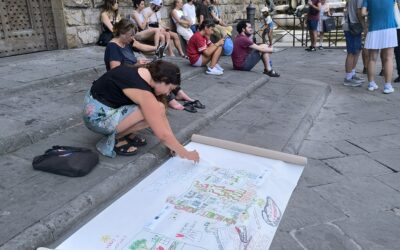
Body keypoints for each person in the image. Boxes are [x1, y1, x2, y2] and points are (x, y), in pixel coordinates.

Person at [83, 60, 200, 163]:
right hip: (97, 118)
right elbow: (162, 134)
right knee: (152, 113)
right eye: (170, 89)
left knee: (157, 108)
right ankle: (113, 138)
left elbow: (162, 117)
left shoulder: (141, 72)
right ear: (163, 79)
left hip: (95, 107)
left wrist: (174, 145)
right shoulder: (142, 91)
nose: (168, 93)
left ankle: (122, 132)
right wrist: (186, 153)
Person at [362, 0, 398, 94]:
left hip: (374, 28)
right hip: (389, 27)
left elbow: (363, 12)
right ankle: (387, 86)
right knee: (388, 58)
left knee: (372, 58)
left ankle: (371, 84)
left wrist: (371, 11)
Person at [342, 0, 364, 87]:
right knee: (351, 52)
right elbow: (359, 12)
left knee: (357, 51)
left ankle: (352, 74)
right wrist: (364, 25)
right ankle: (348, 78)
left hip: (352, 25)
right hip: (352, 26)